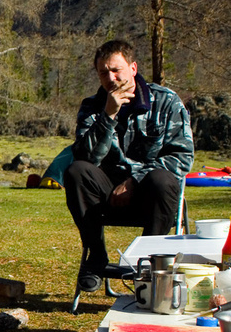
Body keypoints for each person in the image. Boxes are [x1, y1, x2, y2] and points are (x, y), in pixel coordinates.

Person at [66, 39, 193, 292]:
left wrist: (135, 181)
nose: (110, 78)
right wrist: (108, 116)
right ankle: (96, 256)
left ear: (133, 68)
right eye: (103, 72)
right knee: (76, 171)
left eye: (116, 70)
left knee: (163, 180)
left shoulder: (166, 102)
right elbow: (86, 158)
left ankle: (148, 264)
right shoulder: (92, 107)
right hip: (108, 195)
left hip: (152, 196)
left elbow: (182, 156)